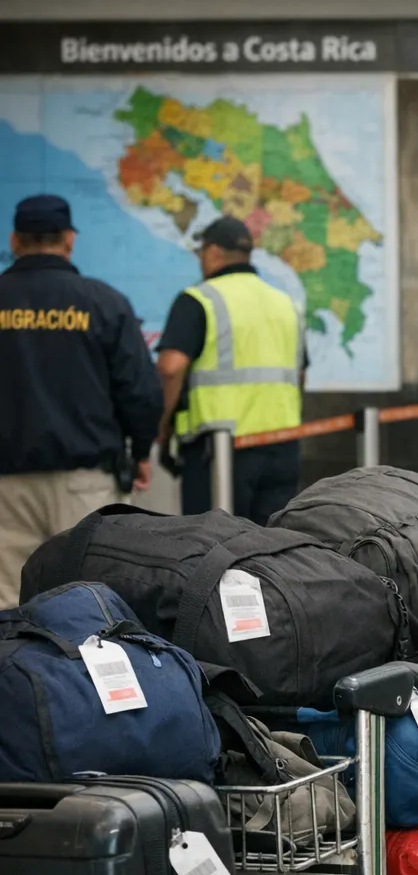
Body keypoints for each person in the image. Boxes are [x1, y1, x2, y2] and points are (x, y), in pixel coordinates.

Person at [0, 194, 161, 607]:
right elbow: (140, 389)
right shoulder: (104, 303)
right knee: (92, 599)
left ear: (15, 240)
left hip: (5, 485)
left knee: (6, 601)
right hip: (85, 483)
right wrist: (141, 451)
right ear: (69, 240)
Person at [157, 216, 304, 526]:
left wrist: (162, 428)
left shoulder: (198, 300)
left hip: (221, 450)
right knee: (275, 547)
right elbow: (299, 375)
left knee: (214, 549)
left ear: (213, 253)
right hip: (283, 447)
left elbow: (171, 368)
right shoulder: (285, 303)